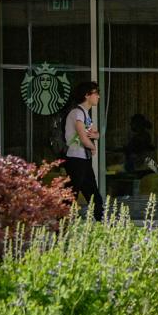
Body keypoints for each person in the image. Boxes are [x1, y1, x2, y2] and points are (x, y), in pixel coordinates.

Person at [63, 81, 104, 221]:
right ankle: (60, 226)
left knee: (92, 193)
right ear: (87, 95)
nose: (98, 96)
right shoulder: (77, 113)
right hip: (76, 159)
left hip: (83, 159)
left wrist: (95, 137)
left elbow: (94, 134)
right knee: (71, 195)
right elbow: (83, 136)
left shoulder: (85, 113)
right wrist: (93, 147)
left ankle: (101, 222)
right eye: (96, 93)